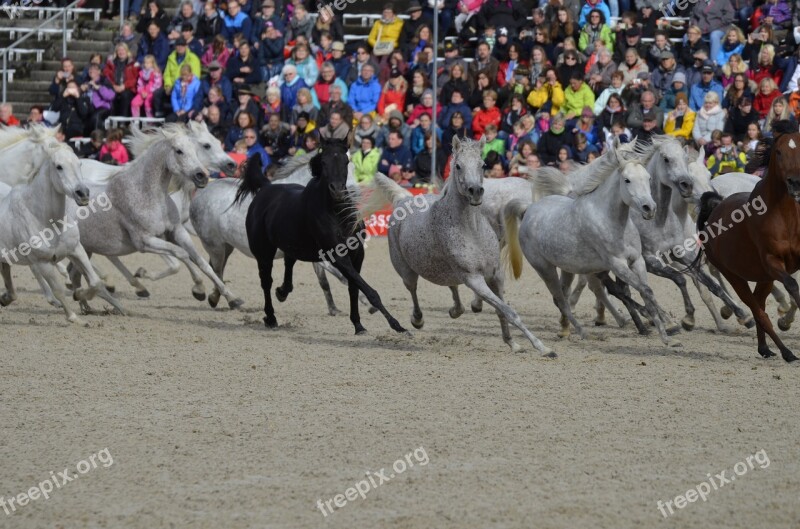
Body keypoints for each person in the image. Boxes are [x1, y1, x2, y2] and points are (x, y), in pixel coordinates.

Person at [104, 43, 139, 118]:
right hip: (114, 86)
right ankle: (112, 120)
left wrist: (124, 86)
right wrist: (113, 85)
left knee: (125, 96)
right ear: (116, 52)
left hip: (128, 88)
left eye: (123, 50)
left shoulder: (133, 63)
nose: (121, 52)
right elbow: (106, 76)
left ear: (127, 51)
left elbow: (135, 78)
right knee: (110, 95)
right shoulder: (111, 63)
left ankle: (123, 120)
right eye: (119, 50)